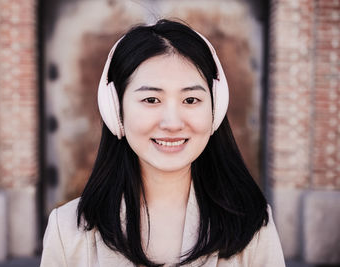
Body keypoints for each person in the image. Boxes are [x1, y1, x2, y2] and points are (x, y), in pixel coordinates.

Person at [40, 19, 285, 267]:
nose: (172, 123)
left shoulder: (252, 224)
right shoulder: (67, 230)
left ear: (216, 108)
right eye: (151, 99)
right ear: (115, 109)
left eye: (190, 100)